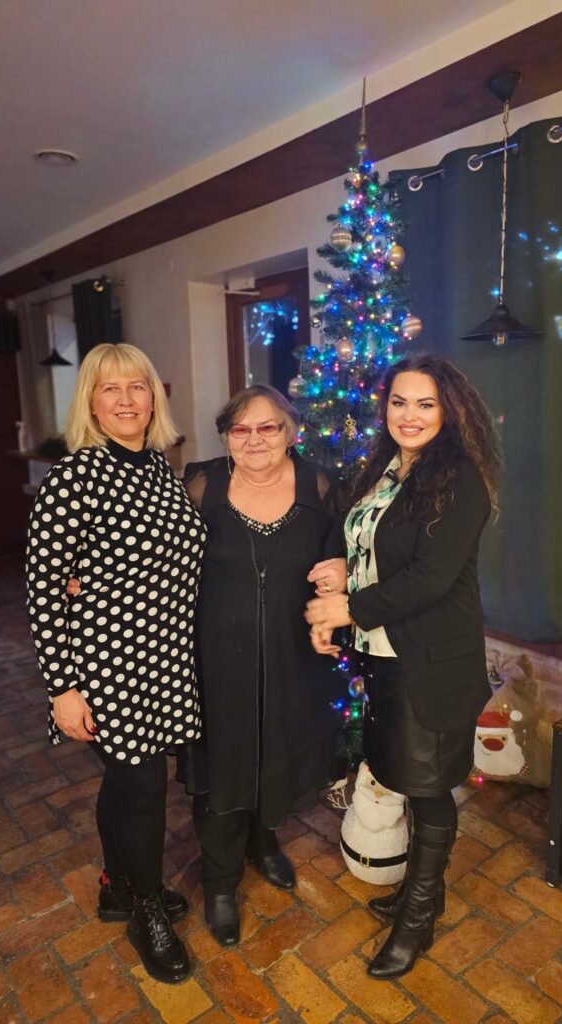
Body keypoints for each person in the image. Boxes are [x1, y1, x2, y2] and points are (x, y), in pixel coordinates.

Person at [305, 353, 499, 980]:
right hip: (385, 654)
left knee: (429, 786)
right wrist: (342, 565)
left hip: (432, 659)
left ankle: (418, 917)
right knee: (408, 774)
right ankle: (426, 893)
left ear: (450, 411)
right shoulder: (388, 468)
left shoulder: (459, 477)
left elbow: (431, 577)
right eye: (398, 402)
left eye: (425, 404)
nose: (409, 415)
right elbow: (369, 541)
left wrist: (347, 607)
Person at [26, 343, 206, 985]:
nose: (126, 399)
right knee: (145, 787)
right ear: (92, 404)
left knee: (127, 785)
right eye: (110, 389)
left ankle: (117, 886)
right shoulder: (75, 477)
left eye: (137, 386)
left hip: (164, 657)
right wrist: (62, 689)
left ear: (153, 398)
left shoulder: (158, 467)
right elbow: (44, 588)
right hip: (108, 666)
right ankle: (146, 911)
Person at [178, 384, 344, 948]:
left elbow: (349, 550)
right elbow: (154, 549)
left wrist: (342, 572)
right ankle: (220, 882)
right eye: (240, 429)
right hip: (215, 659)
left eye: (267, 427)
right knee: (223, 763)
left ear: (290, 432)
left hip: (294, 656)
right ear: (226, 437)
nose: (254, 439)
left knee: (277, 750)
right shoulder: (201, 486)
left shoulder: (320, 485)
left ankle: (263, 841)